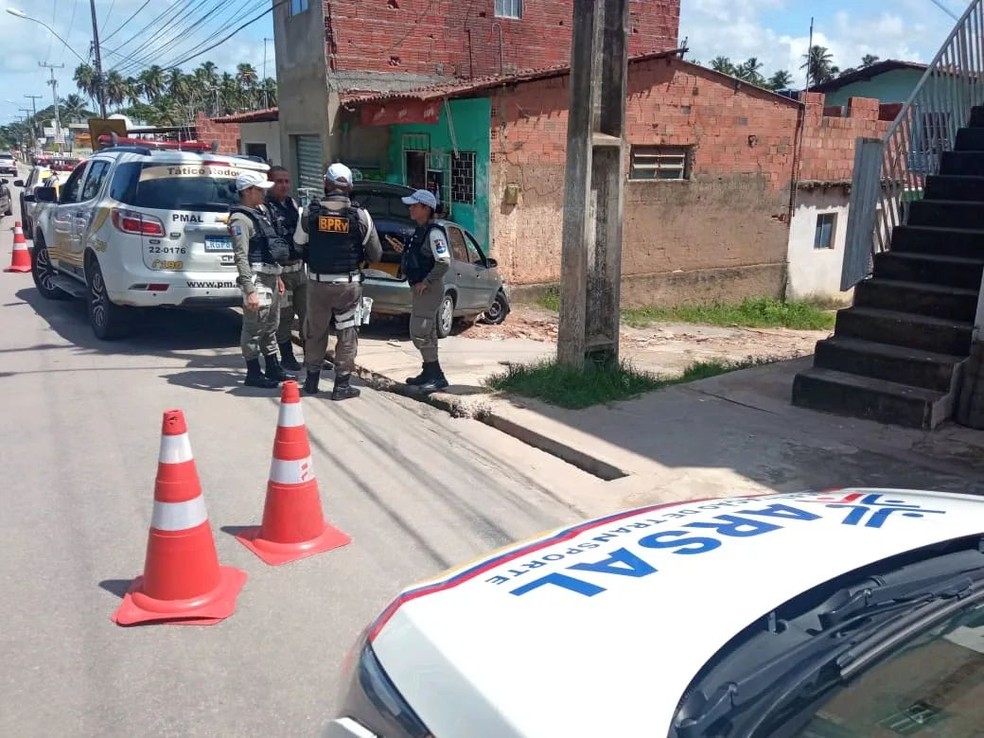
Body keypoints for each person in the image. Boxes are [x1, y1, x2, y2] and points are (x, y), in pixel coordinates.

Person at [293, 162, 382, 400]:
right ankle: (341, 385)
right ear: (350, 187)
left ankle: (311, 381)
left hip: (317, 284)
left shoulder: (309, 212)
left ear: (326, 183)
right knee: (347, 332)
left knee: (315, 330)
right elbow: (376, 253)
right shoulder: (360, 215)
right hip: (347, 285)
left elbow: (298, 245)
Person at [229, 170, 295, 389]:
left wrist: (278, 277)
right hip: (257, 279)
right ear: (248, 191)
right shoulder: (240, 219)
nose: (263, 193)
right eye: (259, 189)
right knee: (254, 327)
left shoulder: (260, 213)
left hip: (271, 276)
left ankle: (273, 366)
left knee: (271, 325)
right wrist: (249, 290)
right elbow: (241, 256)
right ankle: (253, 372)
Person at [385, 189, 451, 391]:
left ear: (426, 208)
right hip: (421, 289)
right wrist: (404, 251)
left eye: (414, 205)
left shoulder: (434, 232)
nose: (410, 209)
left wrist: (426, 282)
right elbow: (420, 257)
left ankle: (436, 375)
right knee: (427, 331)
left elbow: (444, 261)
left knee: (420, 332)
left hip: (429, 289)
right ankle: (429, 372)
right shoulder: (420, 231)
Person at [266, 165, 306, 371]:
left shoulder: (292, 204)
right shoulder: (265, 208)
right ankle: (287, 356)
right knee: (284, 317)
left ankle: (312, 356)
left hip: (299, 270)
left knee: (308, 315)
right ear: (270, 183)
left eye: (286, 181)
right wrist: (276, 275)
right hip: (280, 273)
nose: (284, 185)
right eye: (279, 181)